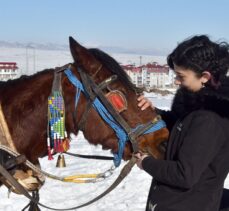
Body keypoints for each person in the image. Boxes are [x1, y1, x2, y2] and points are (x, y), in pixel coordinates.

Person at [135, 35, 229, 211]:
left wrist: (146, 162)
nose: (176, 81)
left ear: (204, 76)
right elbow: (184, 129)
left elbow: (184, 175)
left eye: (181, 76)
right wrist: (154, 112)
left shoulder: (210, 119)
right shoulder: (197, 107)